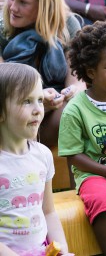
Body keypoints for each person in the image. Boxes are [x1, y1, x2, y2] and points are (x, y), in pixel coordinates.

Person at [58, 20, 106, 256]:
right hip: (93, 174)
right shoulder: (75, 109)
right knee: (102, 198)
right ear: (91, 72)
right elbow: (73, 156)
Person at [0, 0, 84, 148]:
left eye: (23, 2)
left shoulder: (68, 25)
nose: (12, 7)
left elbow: (77, 82)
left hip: (53, 111)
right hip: (10, 109)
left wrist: (69, 93)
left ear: (45, 5)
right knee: (22, 109)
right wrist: (37, 98)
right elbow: (3, 87)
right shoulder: (1, 27)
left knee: (75, 109)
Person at [0, 63, 69, 255]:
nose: (38, 109)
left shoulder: (42, 155)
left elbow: (49, 212)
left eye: (40, 100)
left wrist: (62, 249)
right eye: (26, 101)